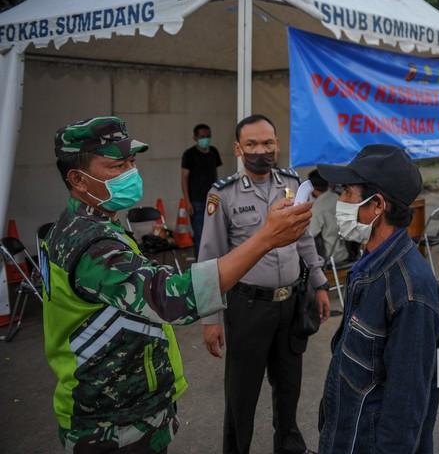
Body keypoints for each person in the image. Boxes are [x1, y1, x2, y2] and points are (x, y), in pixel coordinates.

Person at [43, 116, 313, 454]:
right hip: (109, 422)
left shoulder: (89, 225)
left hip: (128, 405)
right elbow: (175, 299)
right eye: (116, 165)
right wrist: (266, 238)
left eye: (132, 162)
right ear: (78, 180)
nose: (130, 172)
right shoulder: (91, 245)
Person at [199, 114, 330, 454]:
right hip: (248, 307)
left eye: (268, 143)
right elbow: (209, 257)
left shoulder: (292, 183)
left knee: (289, 387)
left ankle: (289, 446)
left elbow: (303, 238)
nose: (262, 150)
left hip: (290, 305)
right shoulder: (222, 194)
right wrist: (210, 318)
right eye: (253, 144)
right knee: (242, 394)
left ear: (278, 144)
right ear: (238, 148)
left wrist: (319, 283)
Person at [316, 145, 439, 454]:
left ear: (377, 205)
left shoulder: (411, 293)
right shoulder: (368, 265)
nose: (340, 202)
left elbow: (405, 412)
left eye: (347, 193)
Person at [181, 123, 223, 259]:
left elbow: (215, 174)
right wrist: (187, 202)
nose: (206, 139)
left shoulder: (214, 152)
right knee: (200, 235)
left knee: (215, 234)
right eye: (202, 136)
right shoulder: (189, 155)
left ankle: (213, 263)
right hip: (197, 201)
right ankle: (201, 265)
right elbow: (184, 179)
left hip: (213, 199)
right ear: (195, 137)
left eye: (208, 136)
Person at [307, 169, 350, 266]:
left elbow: (311, 233)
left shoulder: (318, 206)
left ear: (312, 188)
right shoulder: (339, 197)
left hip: (331, 258)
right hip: (346, 253)